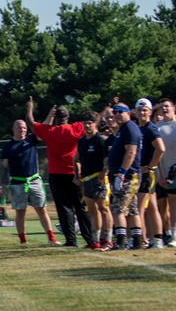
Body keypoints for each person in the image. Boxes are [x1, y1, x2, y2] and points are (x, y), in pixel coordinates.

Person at [27, 97, 96, 248]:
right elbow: (93, 122)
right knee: (81, 208)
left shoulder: (50, 131)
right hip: (75, 173)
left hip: (56, 174)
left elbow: (31, 123)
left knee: (64, 208)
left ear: (56, 118)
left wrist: (30, 108)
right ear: (67, 117)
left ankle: (71, 240)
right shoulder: (76, 128)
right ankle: (90, 239)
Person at [0, 120, 61, 246]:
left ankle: (51, 238)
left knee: (41, 209)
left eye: (24, 128)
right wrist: (4, 183)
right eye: (19, 128)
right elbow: (4, 166)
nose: (22, 130)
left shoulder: (31, 140)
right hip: (17, 183)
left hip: (34, 180)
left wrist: (50, 115)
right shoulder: (8, 146)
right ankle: (23, 240)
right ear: (13, 129)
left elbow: (42, 128)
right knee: (20, 212)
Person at [108, 103, 144, 250]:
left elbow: (131, 152)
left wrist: (121, 173)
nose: (117, 114)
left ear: (128, 113)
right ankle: (136, 241)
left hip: (128, 175)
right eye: (115, 112)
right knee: (132, 209)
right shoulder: (123, 129)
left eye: (120, 112)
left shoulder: (129, 128)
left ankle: (121, 241)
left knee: (118, 208)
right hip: (126, 174)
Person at [73, 111, 112, 251]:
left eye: (90, 123)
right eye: (85, 123)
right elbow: (76, 159)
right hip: (86, 179)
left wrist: (103, 174)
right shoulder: (82, 141)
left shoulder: (101, 139)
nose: (87, 126)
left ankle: (107, 239)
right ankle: (95, 240)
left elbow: (108, 160)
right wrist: (77, 175)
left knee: (104, 208)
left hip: (98, 179)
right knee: (92, 211)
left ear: (95, 124)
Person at [134, 98, 165, 248]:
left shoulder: (150, 128)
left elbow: (161, 149)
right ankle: (157, 239)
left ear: (150, 112)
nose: (142, 113)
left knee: (139, 208)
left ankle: (142, 240)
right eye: (140, 110)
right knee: (152, 207)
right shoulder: (138, 128)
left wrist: (150, 166)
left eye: (145, 110)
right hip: (142, 172)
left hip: (146, 173)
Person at [155, 98, 176, 247]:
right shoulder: (157, 127)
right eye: (162, 107)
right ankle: (170, 234)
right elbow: (157, 153)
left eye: (167, 106)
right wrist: (160, 173)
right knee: (166, 205)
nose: (164, 109)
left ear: (174, 108)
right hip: (164, 172)